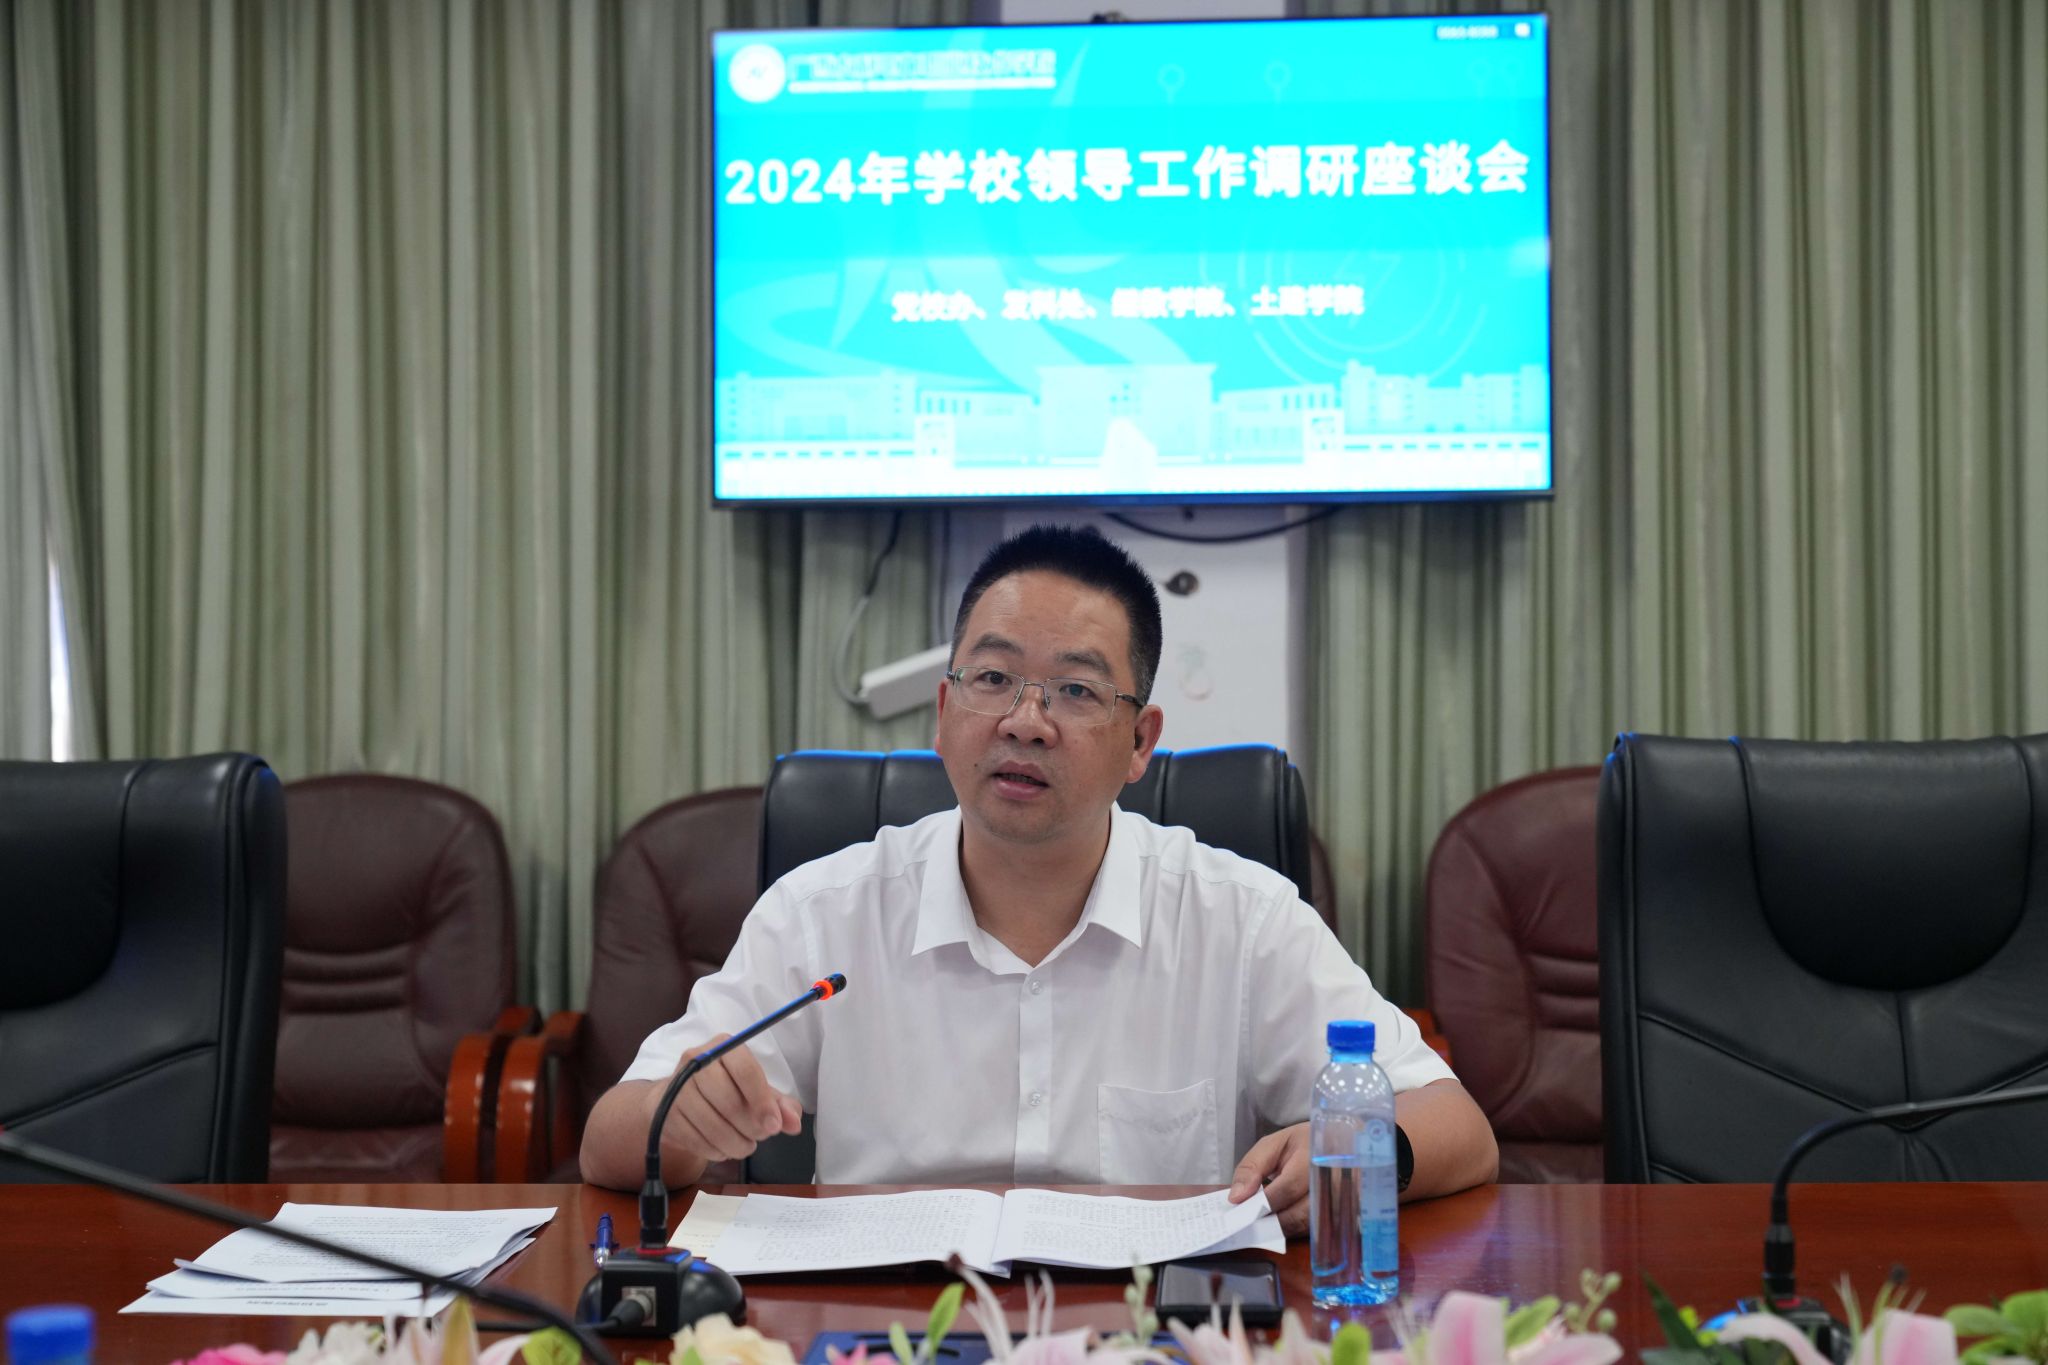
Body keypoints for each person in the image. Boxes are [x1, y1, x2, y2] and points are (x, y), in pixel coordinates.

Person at [580, 524, 1497, 1230]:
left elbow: (1456, 1125)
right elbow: (610, 1139)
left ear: (1140, 742)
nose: (1025, 721)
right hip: (888, 1326)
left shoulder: (1239, 915)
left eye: (1076, 689)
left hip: (1146, 1333)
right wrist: (680, 1118)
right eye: (993, 679)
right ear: (944, 711)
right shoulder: (827, 911)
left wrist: (1364, 1148)